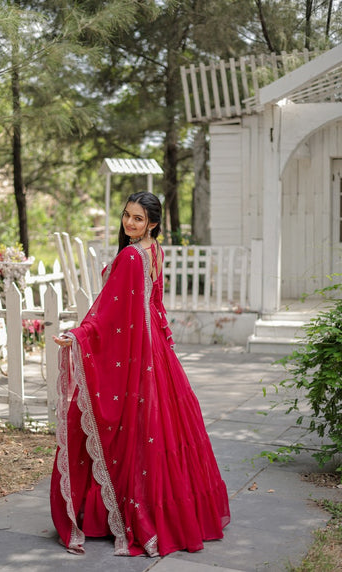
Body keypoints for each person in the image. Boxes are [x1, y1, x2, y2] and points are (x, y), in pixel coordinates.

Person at [50, 191, 230, 557]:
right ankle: (169, 511)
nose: (130, 223)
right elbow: (152, 305)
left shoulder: (133, 256)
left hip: (138, 354)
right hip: (154, 353)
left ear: (153, 223)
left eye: (138, 219)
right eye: (126, 216)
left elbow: (109, 316)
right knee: (154, 434)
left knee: (128, 432)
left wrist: (79, 335)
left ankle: (120, 512)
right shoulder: (154, 250)